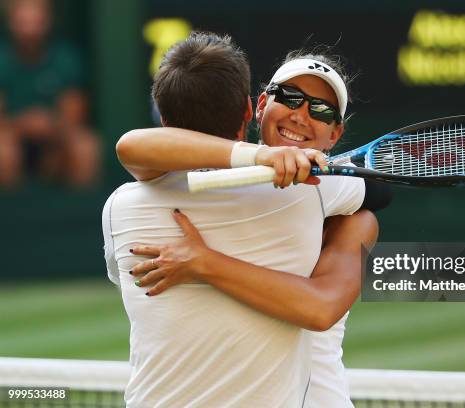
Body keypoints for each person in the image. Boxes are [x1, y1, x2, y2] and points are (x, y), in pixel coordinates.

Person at [103, 32, 375, 407]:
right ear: (256, 108)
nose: (300, 114)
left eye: (322, 110)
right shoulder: (315, 195)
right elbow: (131, 147)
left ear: (336, 133)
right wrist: (261, 160)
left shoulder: (120, 207)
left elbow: (131, 147)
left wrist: (205, 263)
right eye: (290, 98)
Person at [0, 0, 99, 188]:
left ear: (48, 21)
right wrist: (24, 125)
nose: (30, 29)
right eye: (23, 21)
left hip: (56, 140)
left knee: (86, 147)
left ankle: (80, 211)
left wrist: (50, 127)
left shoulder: (65, 58)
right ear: (11, 22)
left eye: (36, 20)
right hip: (12, 138)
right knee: (3, 150)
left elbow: (74, 115)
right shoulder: (2, 60)